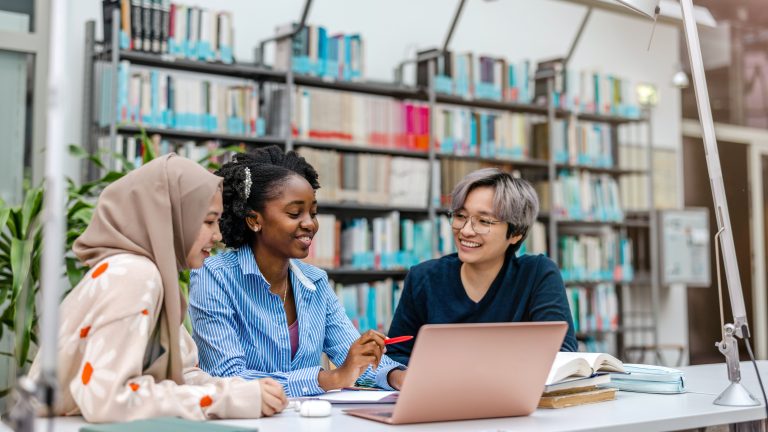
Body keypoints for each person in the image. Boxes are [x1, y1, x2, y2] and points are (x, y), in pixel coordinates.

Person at [28, 154, 287, 423]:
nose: (218, 235)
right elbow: (107, 400)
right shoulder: (134, 275)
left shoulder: (151, 277)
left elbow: (180, 375)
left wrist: (239, 391)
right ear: (171, 217)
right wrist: (228, 400)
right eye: (209, 221)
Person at [189, 146, 406, 397]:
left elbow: (352, 359)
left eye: (313, 213)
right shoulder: (213, 276)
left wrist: (397, 376)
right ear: (254, 220)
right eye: (294, 213)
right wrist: (329, 378)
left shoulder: (316, 282)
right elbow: (227, 376)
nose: (310, 224)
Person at [386, 168, 578, 366]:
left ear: (515, 234)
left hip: (515, 394)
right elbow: (396, 354)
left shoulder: (537, 273)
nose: (466, 231)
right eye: (460, 216)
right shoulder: (423, 277)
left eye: (484, 221)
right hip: (440, 395)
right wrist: (400, 375)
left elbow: (561, 352)